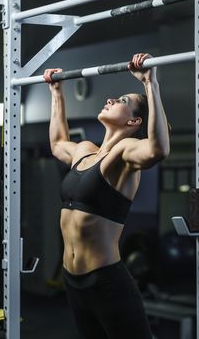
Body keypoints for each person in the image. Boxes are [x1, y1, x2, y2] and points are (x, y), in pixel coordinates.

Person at [43, 53, 170, 339]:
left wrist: (151, 84)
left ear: (134, 122)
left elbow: (158, 150)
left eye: (122, 101)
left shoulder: (124, 155)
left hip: (106, 282)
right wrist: (56, 92)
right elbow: (57, 143)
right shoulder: (85, 149)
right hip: (72, 280)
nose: (111, 100)